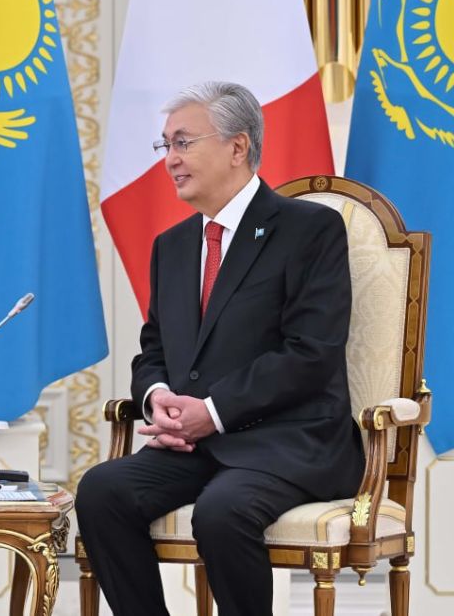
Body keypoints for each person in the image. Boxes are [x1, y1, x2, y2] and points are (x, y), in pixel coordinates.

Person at [76, 82, 364, 616]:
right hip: (196, 447)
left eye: (183, 142)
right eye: (165, 145)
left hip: (285, 443)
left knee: (222, 512)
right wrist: (157, 397)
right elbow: (154, 349)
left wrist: (211, 411)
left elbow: (312, 352)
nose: (170, 159)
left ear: (237, 146)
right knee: (101, 490)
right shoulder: (172, 246)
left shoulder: (309, 230)